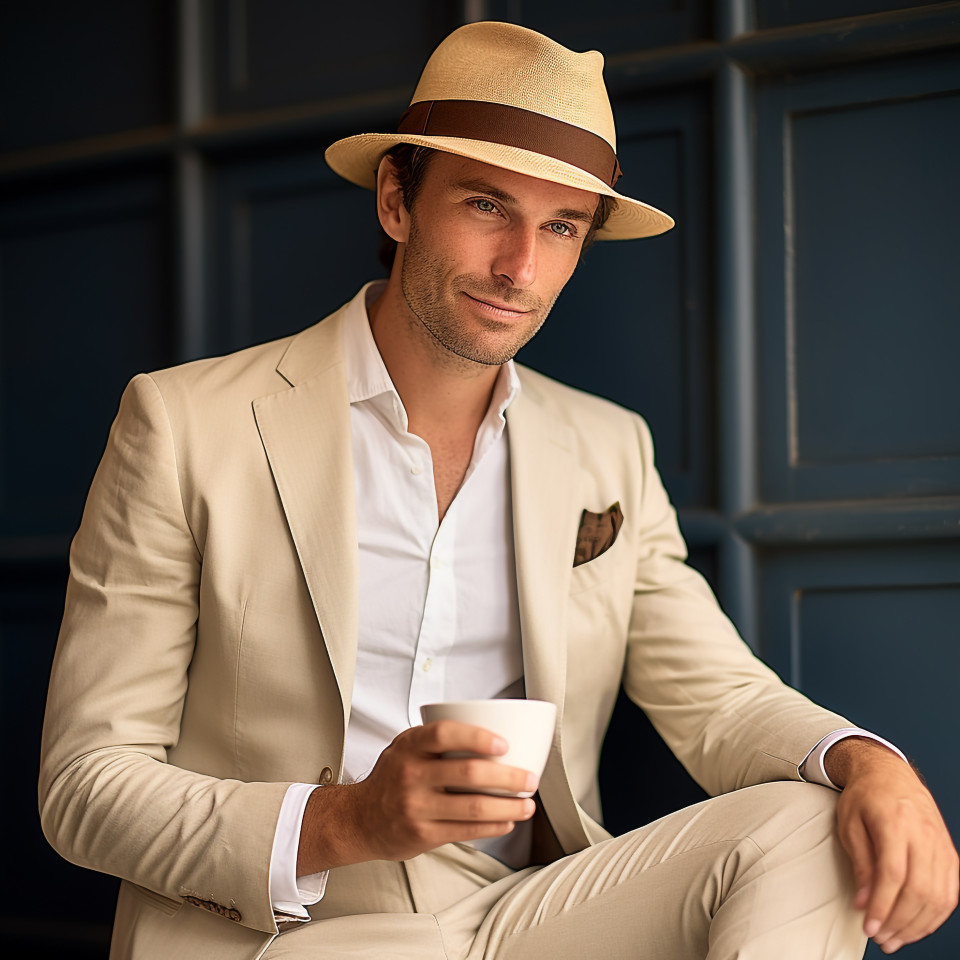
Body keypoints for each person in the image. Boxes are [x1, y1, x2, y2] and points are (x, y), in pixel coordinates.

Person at [39, 20, 956, 960]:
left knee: (815, 820)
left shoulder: (607, 447)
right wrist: (348, 821)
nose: (521, 268)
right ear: (397, 200)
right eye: (487, 205)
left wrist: (871, 765)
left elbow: (719, 696)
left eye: (561, 227)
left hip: (523, 919)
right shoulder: (186, 424)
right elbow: (83, 784)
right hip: (285, 933)